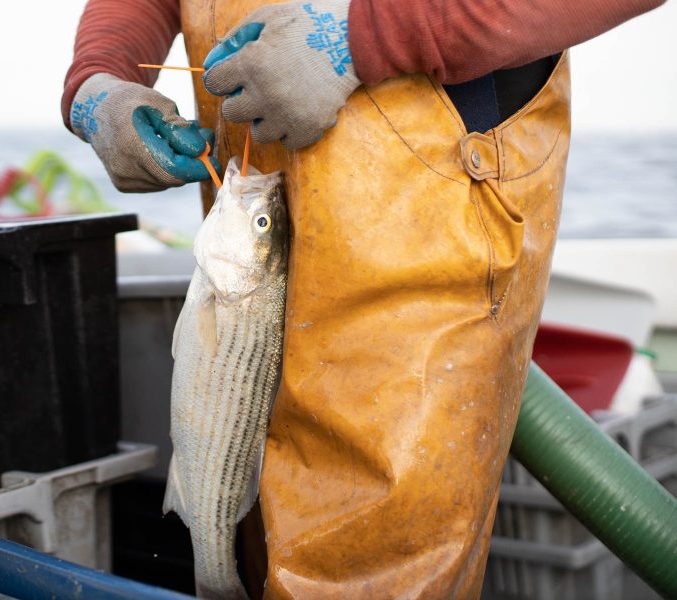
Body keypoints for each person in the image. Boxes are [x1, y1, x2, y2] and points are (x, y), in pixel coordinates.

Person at [62, 0, 665, 597]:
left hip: (426, 204)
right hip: (262, 216)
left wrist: (365, 36)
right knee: (254, 537)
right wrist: (101, 77)